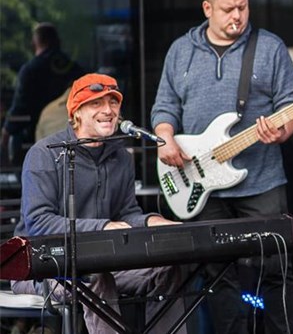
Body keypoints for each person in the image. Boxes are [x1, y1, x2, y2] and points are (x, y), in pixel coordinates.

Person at [151, 0, 293, 334]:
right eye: (228, 9)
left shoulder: (269, 48)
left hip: (262, 182)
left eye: (243, 7)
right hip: (200, 184)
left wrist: (283, 130)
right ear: (207, 9)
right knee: (216, 276)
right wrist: (164, 138)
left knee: (276, 269)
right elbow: (165, 106)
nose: (238, 15)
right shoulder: (181, 50)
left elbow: (292, 104)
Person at [10, 73, 185, 334]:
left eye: (113, 103)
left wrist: (151, 221)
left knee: (169, 269)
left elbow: (126, 213)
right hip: (43, 267)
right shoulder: (45, 154)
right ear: (76, 113)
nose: (108, 110)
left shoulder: (121, 157)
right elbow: (39, 223)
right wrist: (103, 227)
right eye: (96, 103)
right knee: (95, 276)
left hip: (103, 262)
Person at [1, 23, 85, 164]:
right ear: (57, 41)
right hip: (74, 135)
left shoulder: (30, 70)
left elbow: (20, 107)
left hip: (36, 137)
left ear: (35, 43)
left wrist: (6, 132)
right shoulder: (73, 68)